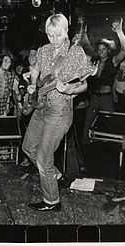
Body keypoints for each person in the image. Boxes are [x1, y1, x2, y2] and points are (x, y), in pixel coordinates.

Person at [22, 13, 89, 212]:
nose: (54, 39)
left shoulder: (75, 52)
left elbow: (83, 84)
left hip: (59, 111)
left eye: (58, 35)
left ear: (66, 31)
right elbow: (35, 70)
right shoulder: (44, 50)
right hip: (42, 105)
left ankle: (51, 201)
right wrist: (33, 84)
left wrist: (70, 89)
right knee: (28, 147)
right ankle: (56, 176)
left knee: (43, 158)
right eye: (50, 35)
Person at [82, 18, 125, 144]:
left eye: (104, 49)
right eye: (99, 49)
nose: (101, 51)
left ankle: (113, 148)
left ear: (108, 50)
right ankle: (87, 151)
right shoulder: (95, 62)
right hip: (94, 98)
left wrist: (119, 32)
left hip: (106, 99)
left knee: (109, 124)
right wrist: (83, 31)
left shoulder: (112, 61)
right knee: (87, 124)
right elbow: (86, 47)